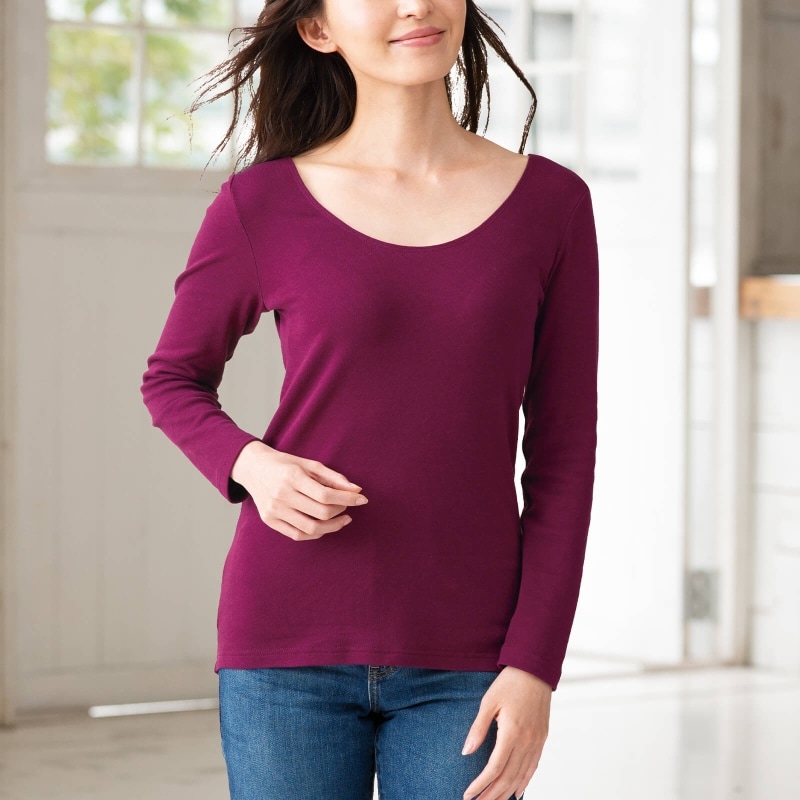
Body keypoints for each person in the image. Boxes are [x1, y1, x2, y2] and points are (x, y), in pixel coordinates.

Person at [140, 1, 599, 798]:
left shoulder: (551, 205)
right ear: (317, 29)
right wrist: (253, 465)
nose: (414, 5)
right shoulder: (261, 204)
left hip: (472, 654)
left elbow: (564, 455)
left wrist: (535, 665)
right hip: (285, 645)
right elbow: (172, 378)